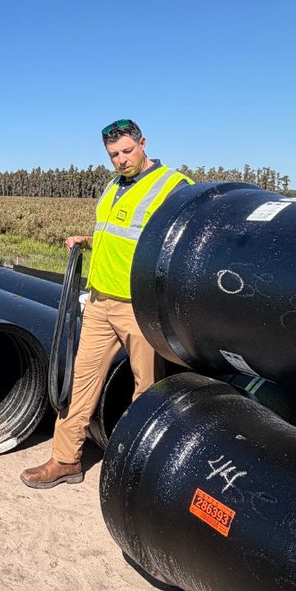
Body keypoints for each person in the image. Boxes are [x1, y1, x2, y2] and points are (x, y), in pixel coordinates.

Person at [21, 119, 193, 490]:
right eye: (113, 155)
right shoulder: (113, 186)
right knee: (81, 382)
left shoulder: (173, 186)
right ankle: (65, 460)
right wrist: (85, 239)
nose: (121, 160)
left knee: (145, 389)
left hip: (139, 307)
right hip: (99, 302)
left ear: (144, 143)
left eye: (127, 151)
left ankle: (136, 472)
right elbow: (116, 235)